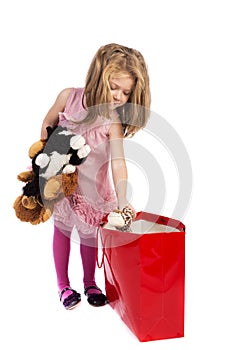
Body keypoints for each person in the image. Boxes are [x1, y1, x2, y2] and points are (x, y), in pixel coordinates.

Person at [40, 43, 151, 310]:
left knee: (90, 236)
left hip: (94, 189)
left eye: (126, 92)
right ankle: (63, 286)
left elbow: (118, 161)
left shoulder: (111, 119)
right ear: (99, 77)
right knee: (63, 232)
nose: (118, 96)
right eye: (114, 87)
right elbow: (46, 125)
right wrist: (45, 164)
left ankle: (90, 282)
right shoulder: (69, 97)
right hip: (63, 184)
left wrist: (123, 198)